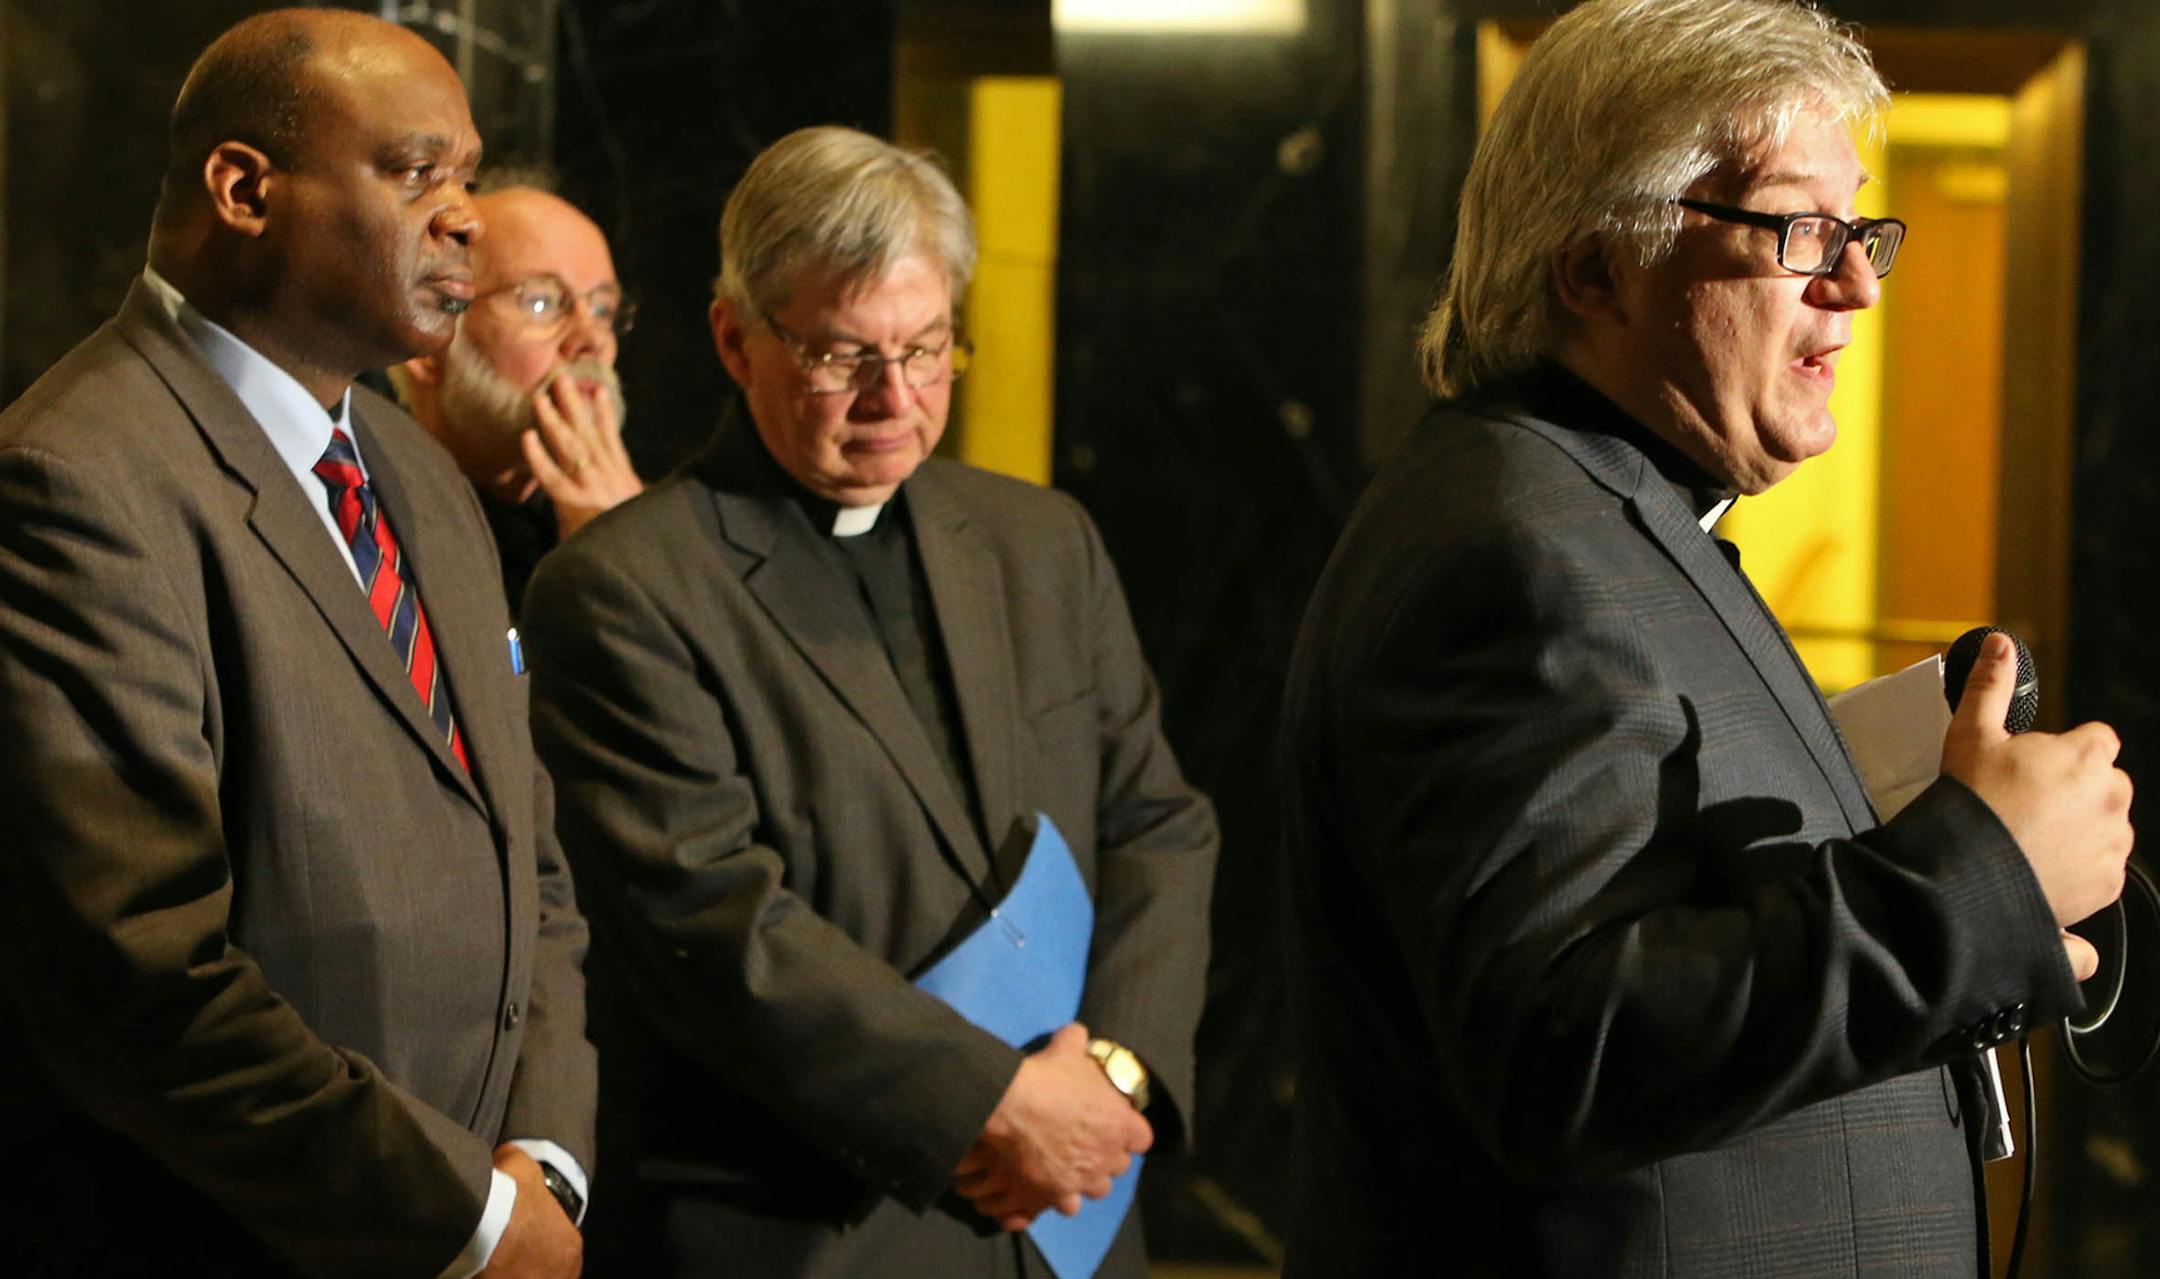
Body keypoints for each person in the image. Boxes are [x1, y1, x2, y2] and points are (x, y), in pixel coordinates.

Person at [1278, 1, 2133, 1275]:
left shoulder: (1610, 513)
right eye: (1798, 228)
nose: (1856, 280)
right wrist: (1978, 879)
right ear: (1595, 270)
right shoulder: (1511, 556)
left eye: (1857, 229)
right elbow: (1568, 1044)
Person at [519, 124, 1218, 1277]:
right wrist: (991, 1107)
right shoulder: (623, 587)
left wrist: (1115, 1077)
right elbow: (715, 919)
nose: (895, 397)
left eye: (929, 347)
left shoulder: (1040, 541)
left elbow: (1158, 820)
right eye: (844, 357)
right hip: (813, 1230)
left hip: (1076, 1210)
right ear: (733, 339)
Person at [0, 11, 594, 1277]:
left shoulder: (421, 480)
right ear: (244, 189)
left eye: (471, 175)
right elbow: (143, 971)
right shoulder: (76, 481)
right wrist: (468, 1220)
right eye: (415, 170)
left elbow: (528, 864)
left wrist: (542, 1164)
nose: (468, 218)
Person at [389, 180, 641, 615]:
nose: (591, 339)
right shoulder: (367, 524)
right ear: (426, 347)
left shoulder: (661, 523)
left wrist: (638, 554)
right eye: (541, 302)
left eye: (602, 309)